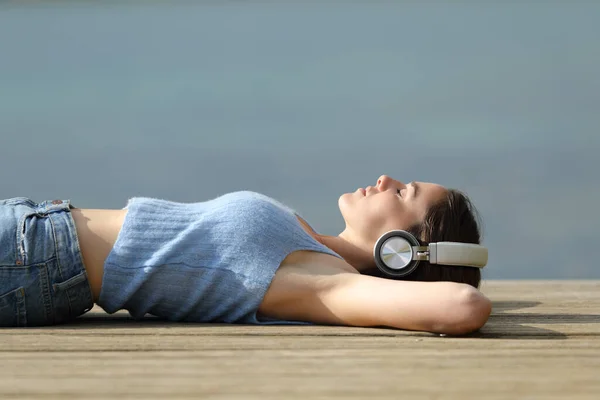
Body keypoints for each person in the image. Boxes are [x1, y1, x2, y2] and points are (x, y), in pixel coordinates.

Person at [0, 175, 491, 334]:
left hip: (36, 260)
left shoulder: (321, 279)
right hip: (35, 226)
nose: (384, 180)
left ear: (403, 251)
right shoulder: (312, 245)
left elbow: (465, 307)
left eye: (403, 192)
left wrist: (441, 259)